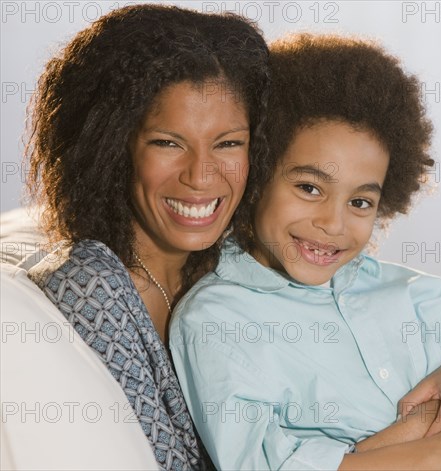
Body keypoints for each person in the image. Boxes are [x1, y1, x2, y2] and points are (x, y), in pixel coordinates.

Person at [170, 34, 441, 470]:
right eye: (309, 188)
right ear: (257, 175)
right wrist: (435, 446)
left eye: (360, 202)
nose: (334, 225)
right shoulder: (216, 320)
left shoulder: (409, 292)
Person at [25, 4, 270, 470]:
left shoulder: (245, 262)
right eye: (167, 143)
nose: (201, 177)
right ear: (112, 147)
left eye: (228, 143)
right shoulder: (90, 287)